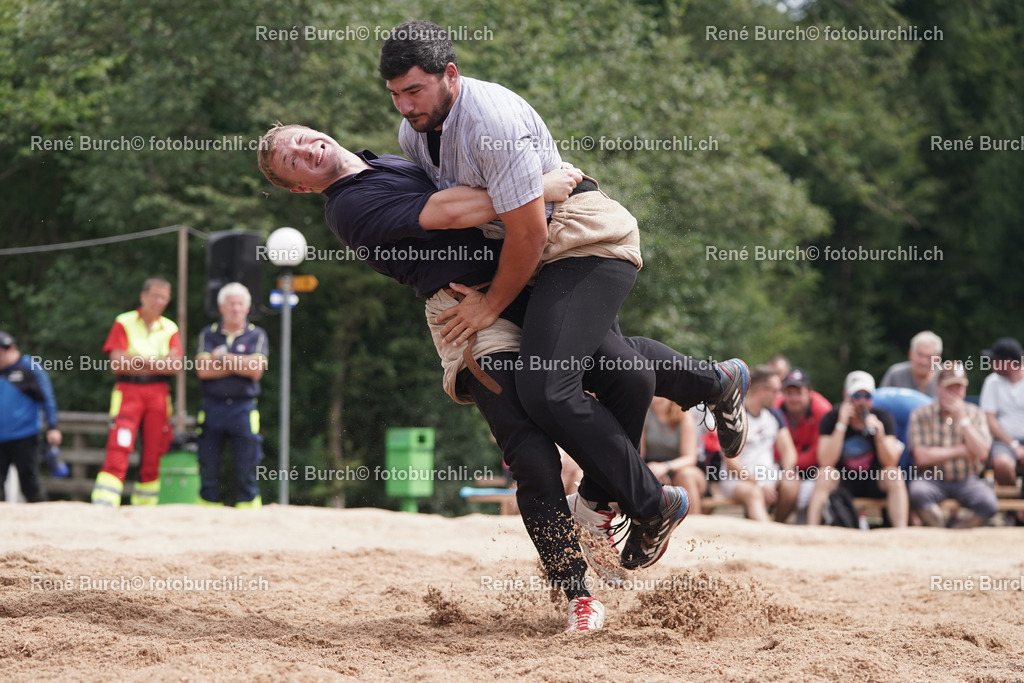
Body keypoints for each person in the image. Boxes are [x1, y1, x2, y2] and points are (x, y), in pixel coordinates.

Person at [257, 123, 747, 633]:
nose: (305, 149)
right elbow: (449, 211)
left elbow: (474, 179)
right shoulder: (348, 206)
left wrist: (537, 182)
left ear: (319, 132)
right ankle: (578, 591)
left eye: (302, 137)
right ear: (298, 187)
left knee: (622, 368)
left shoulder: (391, 162)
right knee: (531, 452)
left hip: (525, 276)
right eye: (292, 159)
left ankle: (709, 389)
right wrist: (538, 189)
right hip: (467, 312)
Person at [91, 278, 182, 507]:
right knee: (120, 443)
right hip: (128, 390)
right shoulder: (124, 322)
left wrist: (136, 359)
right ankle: (106, 500)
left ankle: (145, 506)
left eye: (164, 297)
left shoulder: (170, 327)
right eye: (155, 296)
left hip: (159, 393)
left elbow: (175, 366)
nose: (159, 302)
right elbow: (118, 363)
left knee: (155, 449)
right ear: (143, 296)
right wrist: (157, 362)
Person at [194, 283, 269, 508]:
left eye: (240, 304)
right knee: (208, 464)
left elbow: (256, 371)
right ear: (221, 307)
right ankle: (207, 511)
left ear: (247, 308)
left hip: (243, 408)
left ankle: (248, 512)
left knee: (248, 464)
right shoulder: (208, 333)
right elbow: (203, 370)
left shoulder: (257, 335)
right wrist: (240, 364)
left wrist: (222, 357)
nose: (235, 308)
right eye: (231, 304)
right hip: (212, 406)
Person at [808, 371, 908, 527]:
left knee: (894, 475)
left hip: (873, 479)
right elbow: (825, 461)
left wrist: (879, 435)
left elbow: (891, 461)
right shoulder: (831, 418)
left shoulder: (883, 418)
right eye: (856, 396)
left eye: (867, 397)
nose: (862, 402)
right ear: (846, 396)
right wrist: (841, 425)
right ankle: (812, 529)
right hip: (843, 480)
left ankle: (900, 532)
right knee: (824, 474)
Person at [907, 362, 996, 527]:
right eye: (950, 388)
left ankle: (957, 530)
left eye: (959, 388)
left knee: (988, 502)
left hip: (967, 479)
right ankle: (940, 529)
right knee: (917, 492)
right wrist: (963, 449)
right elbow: (921, 457)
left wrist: (963, 419)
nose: (955, 393)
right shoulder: (921, 414)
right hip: (932, 479)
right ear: (938, 387)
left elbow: (983, 453)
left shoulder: (975, 413)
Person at [719, 366, 798, 522]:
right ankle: (770, 535)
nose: (779, 395)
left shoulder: (774, 414)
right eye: (776, 391)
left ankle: (777, 525)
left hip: (768, 475)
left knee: (792, 484)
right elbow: (732, 464)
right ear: (761, 391)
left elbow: (788, 450)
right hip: (738, 479)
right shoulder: (733, 415)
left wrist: (786, 471)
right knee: (754, 493)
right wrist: (760, 483)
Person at [0, 331, 62, 502]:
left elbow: (48, 399)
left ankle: (44, 518)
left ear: (10, 349)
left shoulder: (30, 367)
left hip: (24, 436)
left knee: (29, 483)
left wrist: (53, 426)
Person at [773, 368, 830, 522]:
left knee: (811, 488)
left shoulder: (823, 410)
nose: (793, 398)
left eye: (798, 392)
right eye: (789, 393)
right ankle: (772, 524)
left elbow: (820, 454)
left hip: (811, 470)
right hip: (780, 467)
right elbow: (771, 448)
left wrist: (790, 458)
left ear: (809, 391)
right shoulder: (774, 408)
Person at [641, 396, 706, 514]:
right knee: (653, 477)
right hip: (653, 466)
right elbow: (640, 455)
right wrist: (650, 471)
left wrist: (665, 467)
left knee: (686, 475)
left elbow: (690, 458)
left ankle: (694, 523)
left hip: (680, 467)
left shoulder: (684, 415)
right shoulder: (643, 414)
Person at [979, 337, 1024, 489]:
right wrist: (1014, 445)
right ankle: (1013, 507)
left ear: (1009, 362)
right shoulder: (992, 382)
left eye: (995, 360)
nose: (991, 364)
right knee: (1002, 464)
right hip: (1002, 442)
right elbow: (990, 420)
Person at [880, 331, 942, 398]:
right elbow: (880, 401)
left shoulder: (946, 376)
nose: (923, 361)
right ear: (910, 354)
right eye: (919, 355)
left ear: (938, 358)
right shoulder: (895, 374)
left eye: (929, 356)